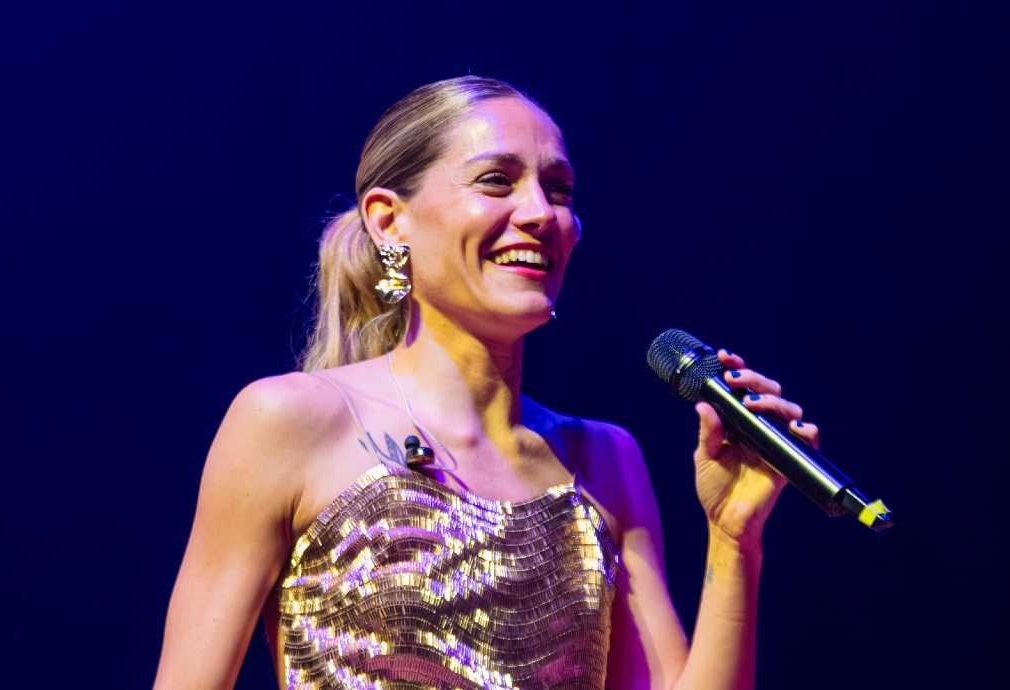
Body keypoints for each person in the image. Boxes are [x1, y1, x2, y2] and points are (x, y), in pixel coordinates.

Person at [152, 76, 820, 690]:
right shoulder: (290, 420)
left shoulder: (604, 459)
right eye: (497, 181)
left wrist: (734, 539)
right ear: (389, 221)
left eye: (559, 190)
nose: (540, 213)